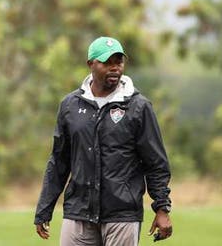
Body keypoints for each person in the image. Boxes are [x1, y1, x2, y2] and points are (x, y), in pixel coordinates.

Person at [34, 36, 172, 245]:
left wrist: (162, 208)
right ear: (91, 64)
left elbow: (156, 163)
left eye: (119, 62)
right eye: (107, 63)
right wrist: (44, 208)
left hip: (122, 214)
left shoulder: (138, 107)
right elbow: (59, 161)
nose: (115, 68)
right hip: (78, 212)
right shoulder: (70, 106)